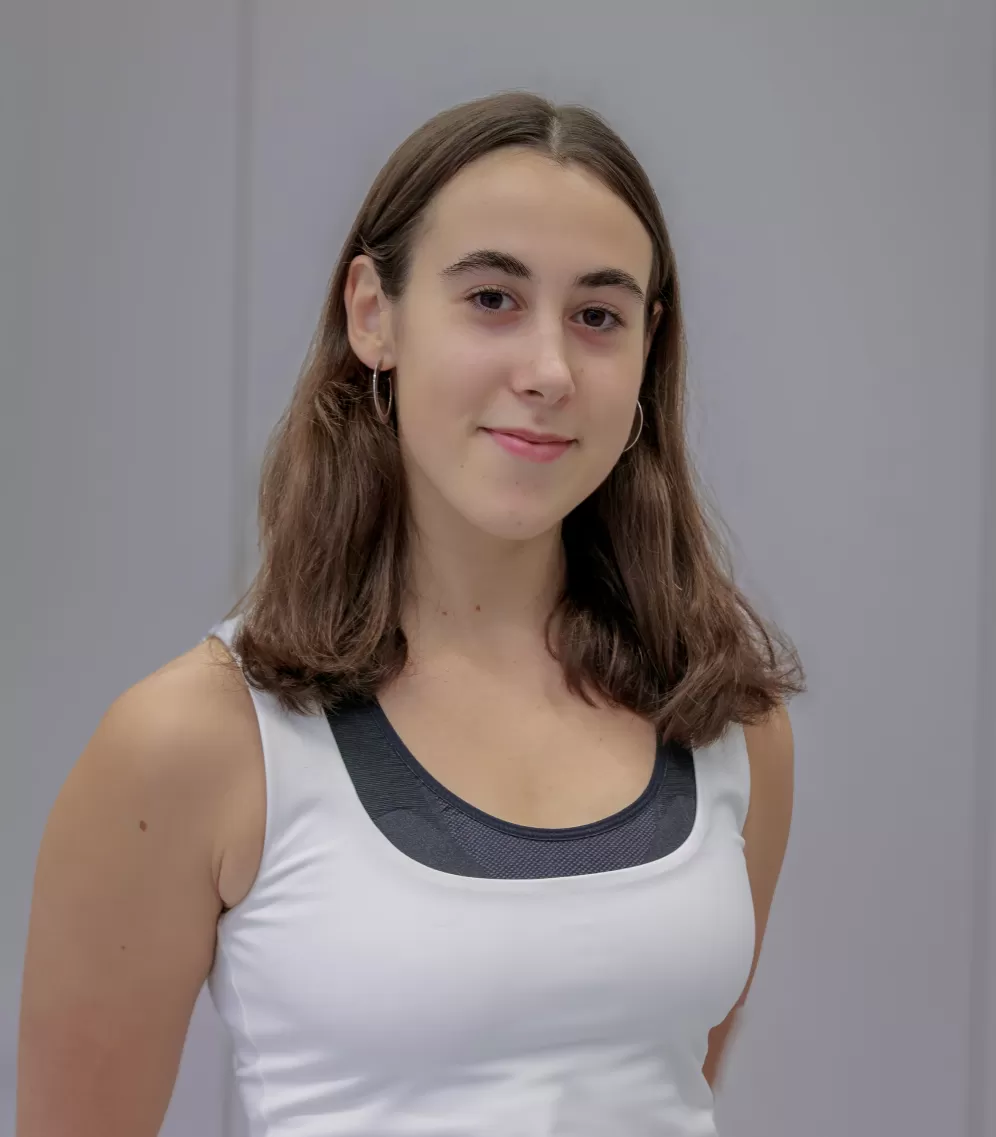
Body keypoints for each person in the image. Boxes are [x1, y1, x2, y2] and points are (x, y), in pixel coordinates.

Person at [17, 90, 804, 1136]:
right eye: (491, 299)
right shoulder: (197, 742)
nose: (548, 371)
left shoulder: (729, 725)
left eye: (599, 316)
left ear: (648, 351)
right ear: (372, 314)